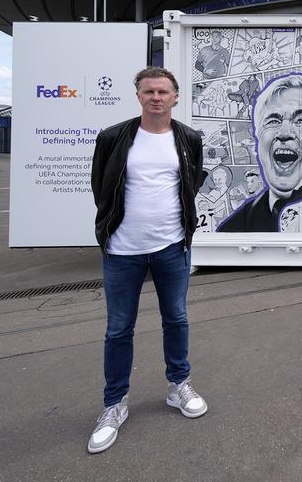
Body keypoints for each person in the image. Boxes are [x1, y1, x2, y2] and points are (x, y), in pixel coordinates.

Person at [87, 67, 208, 454]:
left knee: (176, 318)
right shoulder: (113, 138)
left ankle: (178, 385)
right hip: (123, 250)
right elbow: (101, 187)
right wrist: (114, 228)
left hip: (171, 247)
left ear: (176, 96)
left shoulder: (188, 138)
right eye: (148, 91)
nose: (156, 97)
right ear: (138, 96)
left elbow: (193, 180)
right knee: (118, 329)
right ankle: (114, 404)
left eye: (163, 91)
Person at [218, 73, 302, 232]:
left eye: (301, 120)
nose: (284, 133)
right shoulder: (233, 229)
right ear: (258, 139)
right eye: (273, 121)